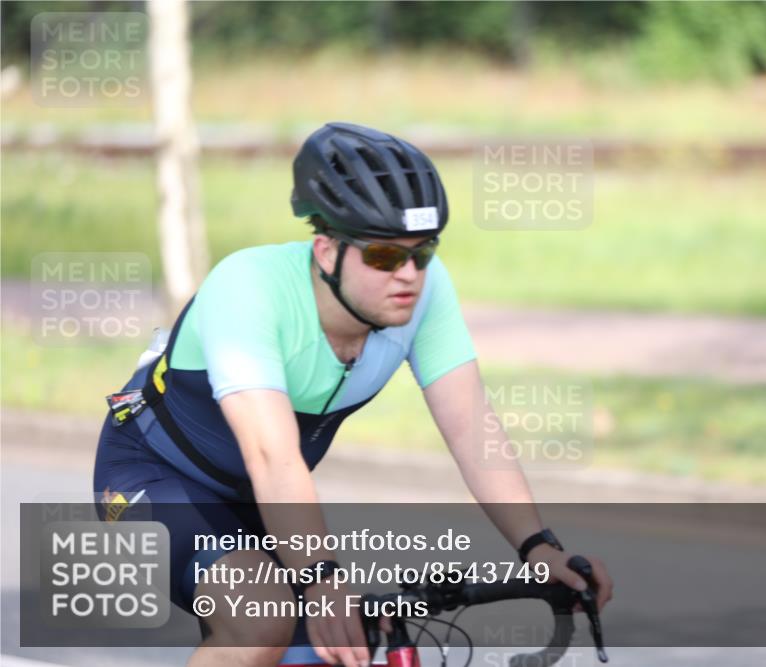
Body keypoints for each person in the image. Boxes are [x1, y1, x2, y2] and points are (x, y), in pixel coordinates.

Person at [93, 122, 612, 667]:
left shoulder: (424, 294)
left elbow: (470, 426)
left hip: (262, 496)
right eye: (385, 256)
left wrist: (538, 548)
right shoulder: (248, 288)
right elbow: (272, 455)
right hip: (156, 476)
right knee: (262, 620)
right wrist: (320, 580)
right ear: (326, 250)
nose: (409, 274)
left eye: (423, 251)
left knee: (347, 642)